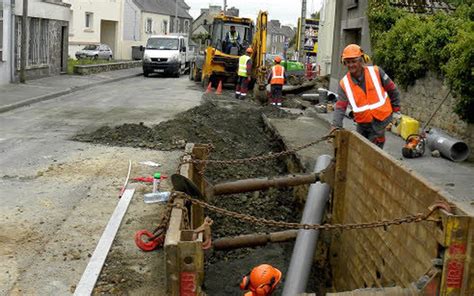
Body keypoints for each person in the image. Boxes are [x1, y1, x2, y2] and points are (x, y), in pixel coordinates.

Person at [330, 44, 401, 149]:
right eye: (348, 62)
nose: (351, 65)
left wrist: (396, 111)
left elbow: (392, 90)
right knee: (358, 149)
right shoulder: (344, 83)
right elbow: (340, 107)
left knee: (372, 152)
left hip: (381, 120)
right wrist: (336, 126)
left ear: (361, 61)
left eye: (354, 61)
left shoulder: (376, 72)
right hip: (363, 123)